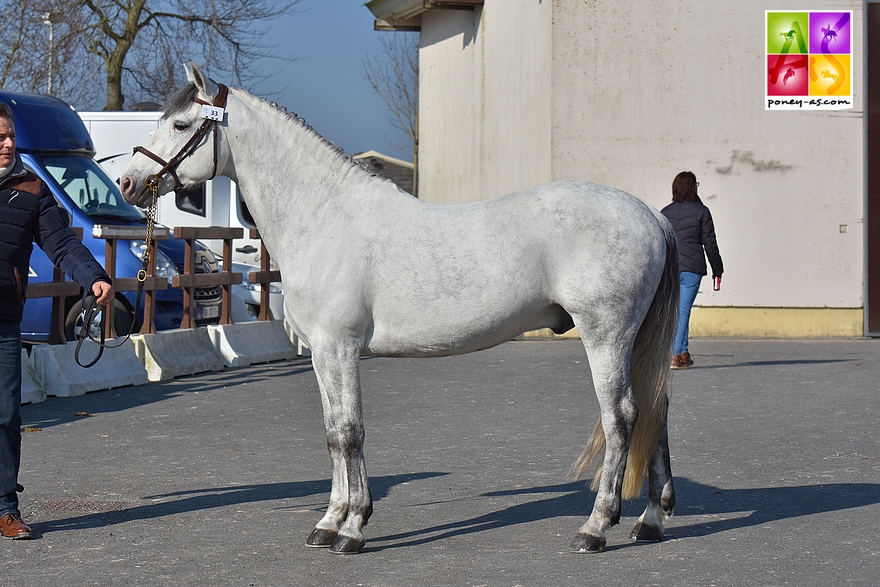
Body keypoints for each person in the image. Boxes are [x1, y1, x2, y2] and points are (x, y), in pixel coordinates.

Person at [0, 102, 115, 539]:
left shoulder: (30, 187)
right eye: (0, 138)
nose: (9, 144)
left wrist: (94, 277)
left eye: (10, 136)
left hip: (4, 321)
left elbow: (60, 241)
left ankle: (5, 508)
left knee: (5, 417)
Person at [661, 171, 723, 370]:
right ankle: (675, 355)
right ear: (693, 187)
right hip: (692, 268)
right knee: (683, 310)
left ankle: (684, 352)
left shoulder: (665, 212)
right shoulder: (702, 211)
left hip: (669, 268)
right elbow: (710, 243)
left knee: (679, 310)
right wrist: (717, 268)